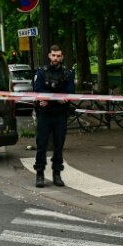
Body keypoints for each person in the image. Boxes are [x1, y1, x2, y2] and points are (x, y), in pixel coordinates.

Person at [33, 44, 75, 188]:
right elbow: (38, 91)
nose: (56, 58)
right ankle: (39, 175)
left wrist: (49, 99)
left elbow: (69, 93)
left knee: (59, 146)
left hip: (60, 116)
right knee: (41, 145)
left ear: (62, 57)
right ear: (49, 56)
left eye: (58, 56)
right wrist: (57, 98)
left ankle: (57, 175)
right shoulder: (41, 72)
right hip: (45, 115)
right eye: (53, 55)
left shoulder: (68, 74)